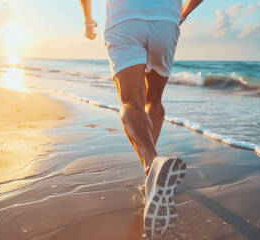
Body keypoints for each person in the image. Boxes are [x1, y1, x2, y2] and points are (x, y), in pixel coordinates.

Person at [79, 0, 203, 239]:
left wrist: (87, 22)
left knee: (131, 103)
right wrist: (183, 13)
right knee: (154, 99)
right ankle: (152, 178)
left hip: (124, 20)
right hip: (166, 21)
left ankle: (151, 164)